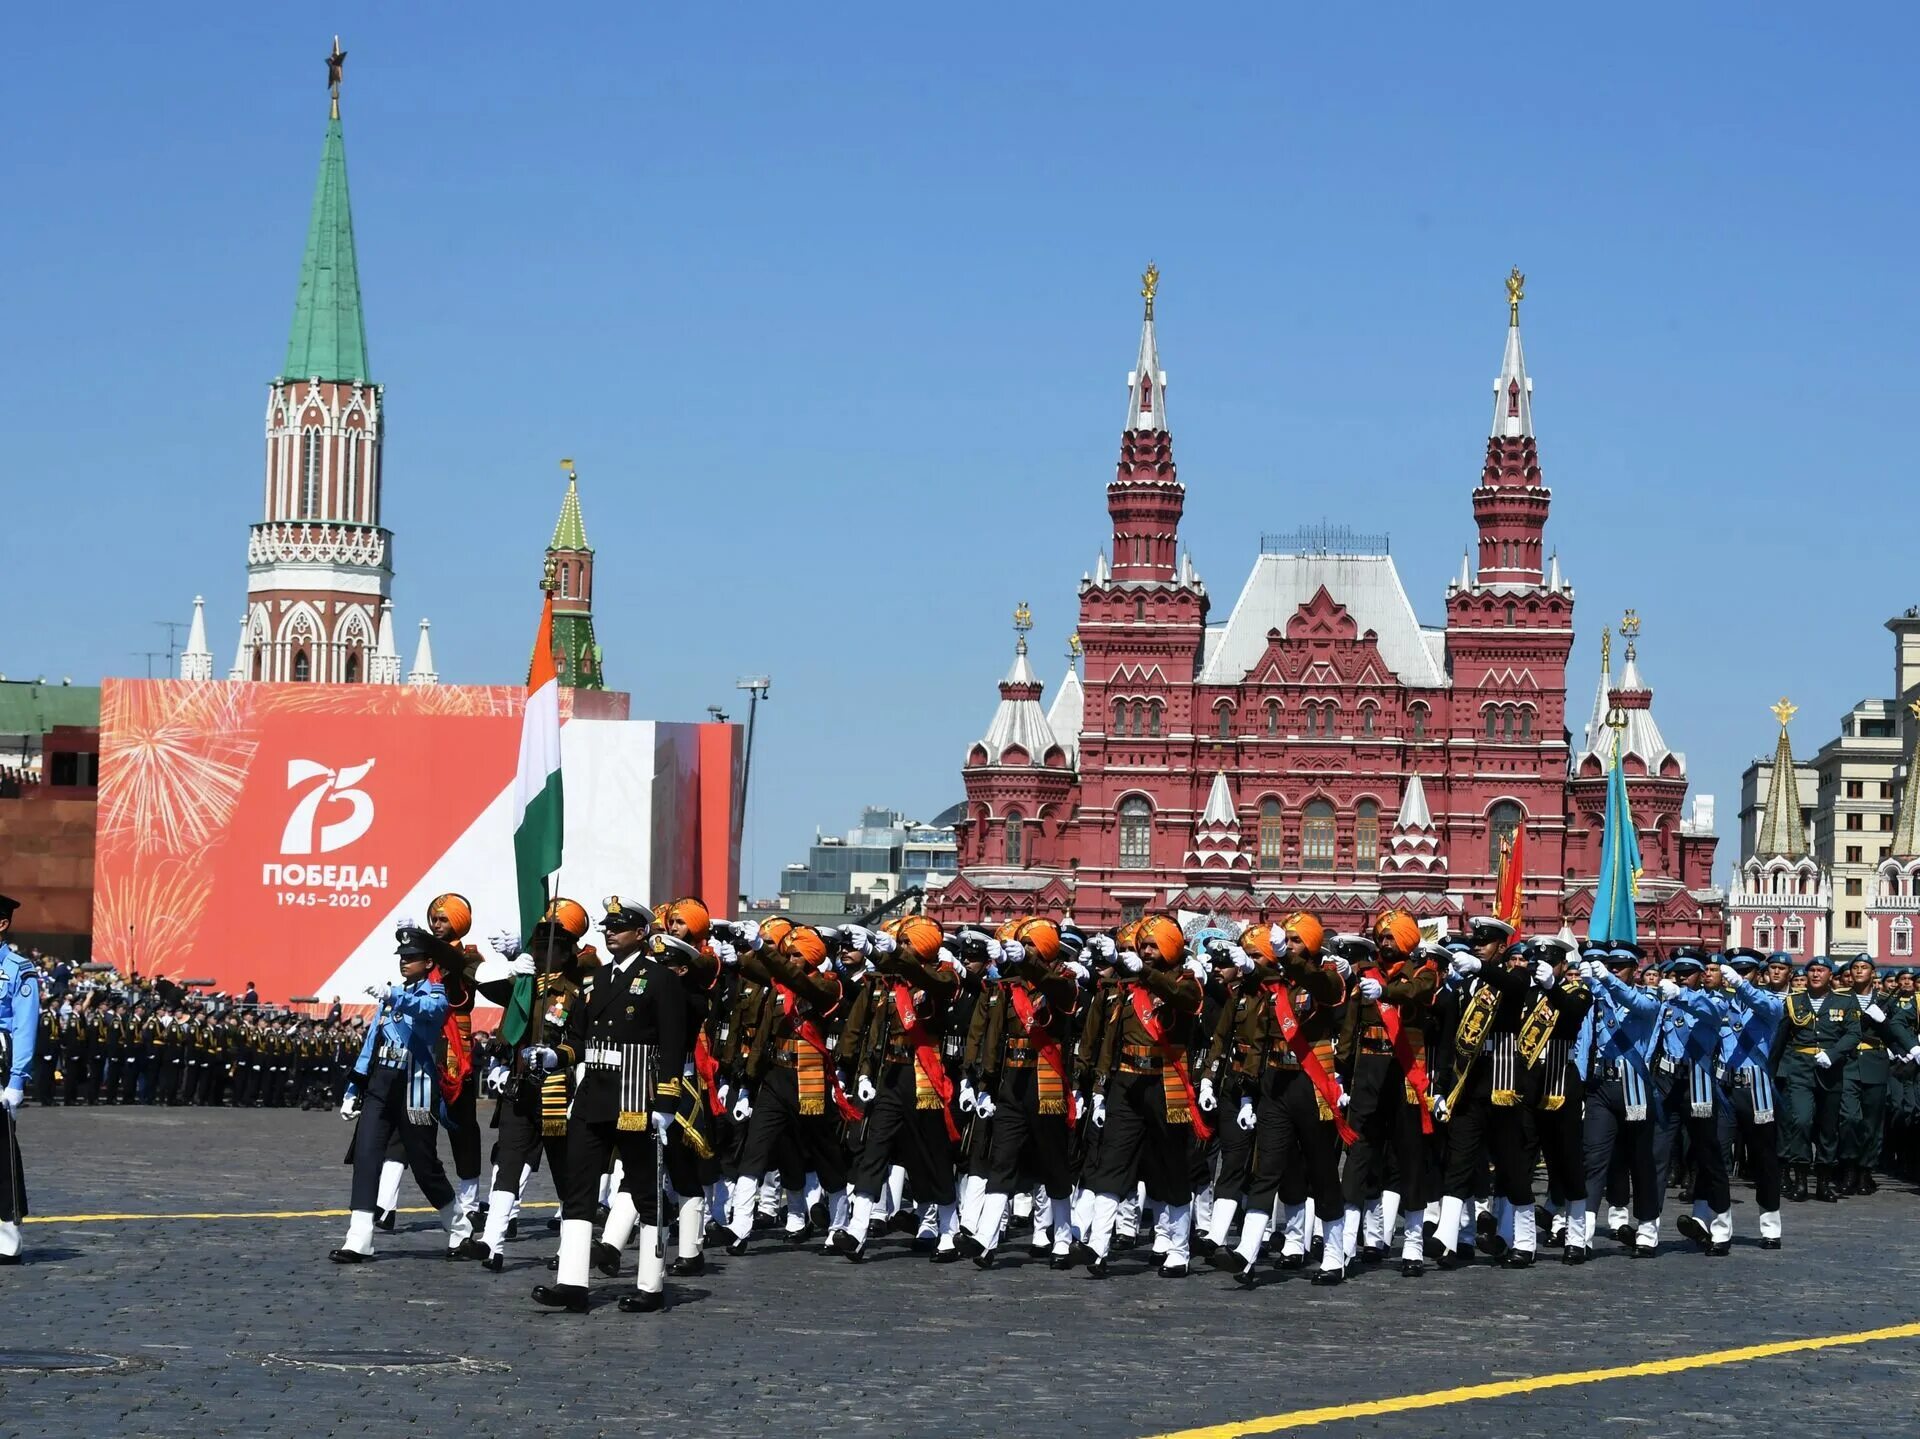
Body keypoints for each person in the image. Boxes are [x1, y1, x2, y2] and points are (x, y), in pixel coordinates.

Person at [533, 896, 687, 1314]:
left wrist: (667, 1099)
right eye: (606, 926)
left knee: (644, 1190)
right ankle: (572, 1282)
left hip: (636, 1095)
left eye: (618, 926)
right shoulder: (597, 979)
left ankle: (651, 1286)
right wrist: (556, 1057)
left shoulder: (659, 980)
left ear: (641, 932)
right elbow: (580, 1038)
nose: (609, 931)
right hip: (593, 1096)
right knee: (579, 1189)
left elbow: (674, 1043)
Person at [329, 926, 472, 1263]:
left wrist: (394, 996)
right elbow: (372, 1043)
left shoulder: (435, 992)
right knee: (365, 1157)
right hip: (380, 1083)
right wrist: (354, 1087)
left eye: (411, 958)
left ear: (428, 962)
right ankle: (359, 1237)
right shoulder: (394, 993)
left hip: (414, 1087)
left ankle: (459, 1228)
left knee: (425, 1166)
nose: (404, 963)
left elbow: (431, 1012)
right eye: (402, 958)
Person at [1775, 955, 1861, 1203]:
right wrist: (1771, 1069)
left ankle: (1823, 1182)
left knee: (1827, 1127)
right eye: (1811, 970)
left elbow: (1854, 1033)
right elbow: (1781, 1039)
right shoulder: (1794, 1001)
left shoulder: (1845, 1000)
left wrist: (1833, 1054)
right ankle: (1800, 1179)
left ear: (1830, 976)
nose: (1815, 974)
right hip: (1800, 1069)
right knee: (1801, 1121)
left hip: (1831, 1071)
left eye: (1821, 970)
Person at [1716, 948, 1785, 1246]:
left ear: (1757, 974)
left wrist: (1742, 986)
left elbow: (1764, 1006)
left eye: (1746, 972)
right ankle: (1720, 1228)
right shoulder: (1721, 1004)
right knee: (1717, 1156)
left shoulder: (1769, 1001)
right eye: (1735, 971)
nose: (1739, 977)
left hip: (1756, 1088)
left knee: (1763, 1159)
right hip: (1725, 1088)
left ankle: (1770, 1226)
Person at [1837, 956, 1920, 1194]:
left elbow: (1896, 1029)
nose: (1859, 970)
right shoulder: (1840, 998)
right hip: (1848, 1063)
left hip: (1876, 1062)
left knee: (1872, 1123)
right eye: (1855, 967)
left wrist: (1909, 1047)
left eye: (1864, 967)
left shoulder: (1885, 1000)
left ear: (1873, 973)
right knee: (1849, 1118)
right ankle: (1849, 1166)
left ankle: (1865, 1171)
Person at [0, 893, 40, 1263]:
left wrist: (17, 1079)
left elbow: (26, 1026)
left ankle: (6, 1237)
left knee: (0, 1152)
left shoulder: (17, 969)